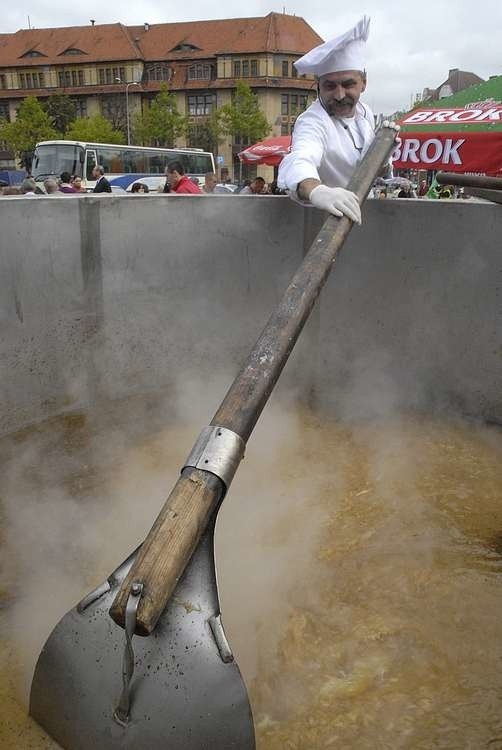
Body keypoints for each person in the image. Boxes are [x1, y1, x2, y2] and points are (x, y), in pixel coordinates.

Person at [278, 16, 392, 225]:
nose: (340, 95)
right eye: (330, 86)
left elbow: (376, 172)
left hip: (364, 217)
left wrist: (383, 157)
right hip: (323, 223)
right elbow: (301, 158)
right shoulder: (312, 122)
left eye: (348, 84)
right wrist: (317, 191)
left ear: (363, 83)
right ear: (319, 86)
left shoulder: (365, 113)